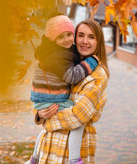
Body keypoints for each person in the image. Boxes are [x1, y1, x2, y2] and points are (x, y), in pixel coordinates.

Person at [26, 14, 99, 164]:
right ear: (53, 40)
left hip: (44, 100)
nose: (67, 39)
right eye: (61, 37)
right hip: (51, 100)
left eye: (69, 34)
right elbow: (72, 76)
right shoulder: (57, 56)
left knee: (46, 129)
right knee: (78, 124)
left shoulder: (56, 51)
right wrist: (91, 62)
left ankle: (34, 159)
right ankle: (74, 160)